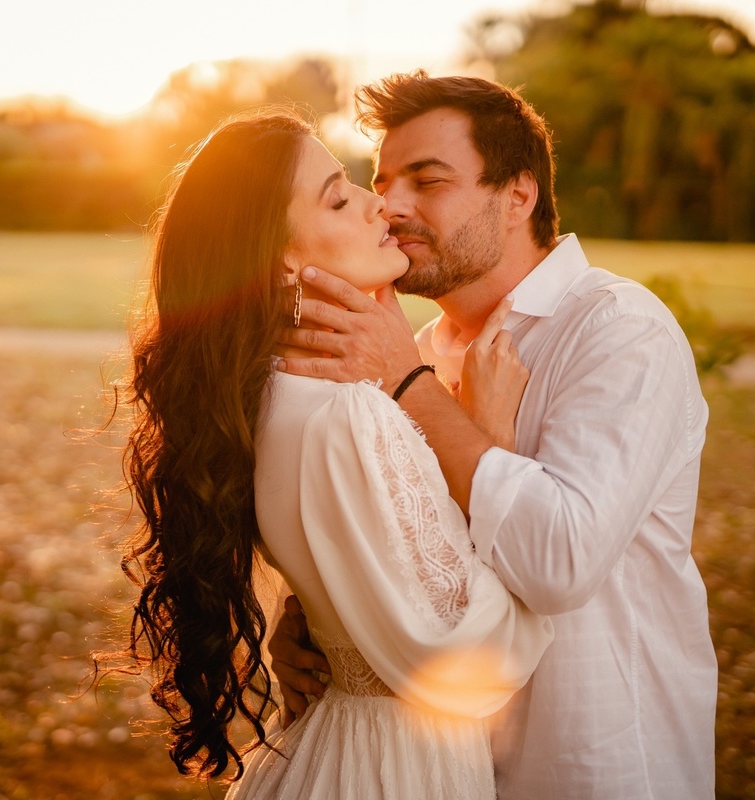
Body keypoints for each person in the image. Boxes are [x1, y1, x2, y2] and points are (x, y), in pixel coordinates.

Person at [273, 71, 718, 798]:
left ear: (518, 195)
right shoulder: (410, 345)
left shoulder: (617, 329)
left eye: (430, 179)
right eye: (384, 181)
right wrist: (328, 621)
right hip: (443, 772)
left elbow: (560, 561)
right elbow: (411, 545)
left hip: (588, 765)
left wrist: (409, 387)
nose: (392, 205)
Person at [118, 111, 554, 798]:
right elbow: (466, 656)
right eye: (338, 196)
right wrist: (491, 438)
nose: (378, 203)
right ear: (282, 257)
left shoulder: (266, 395)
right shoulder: (348, 414)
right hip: (392, 769)